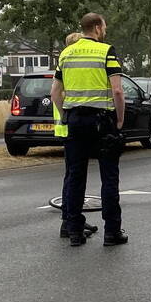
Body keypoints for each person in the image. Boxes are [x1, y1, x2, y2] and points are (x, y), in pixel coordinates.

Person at [51, 13, 128, 247]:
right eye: (104, 26)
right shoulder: (106, 52)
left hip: (75, 120)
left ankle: (75, 231)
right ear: (96, 28)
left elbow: (55, 92)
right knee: (109, 177)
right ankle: (112, 232)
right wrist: (120, 120)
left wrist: (65, 115)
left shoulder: (66, 53)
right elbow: (117, 91)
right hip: (102, 121)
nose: (105, 30)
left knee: (75, 177)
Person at [53, 32, 98, 239]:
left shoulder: (64, 67)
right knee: (74, 178)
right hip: (71, 127)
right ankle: (70, 221)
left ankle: (72, 219)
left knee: (71, 176)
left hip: (67, 127)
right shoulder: (71, 72)